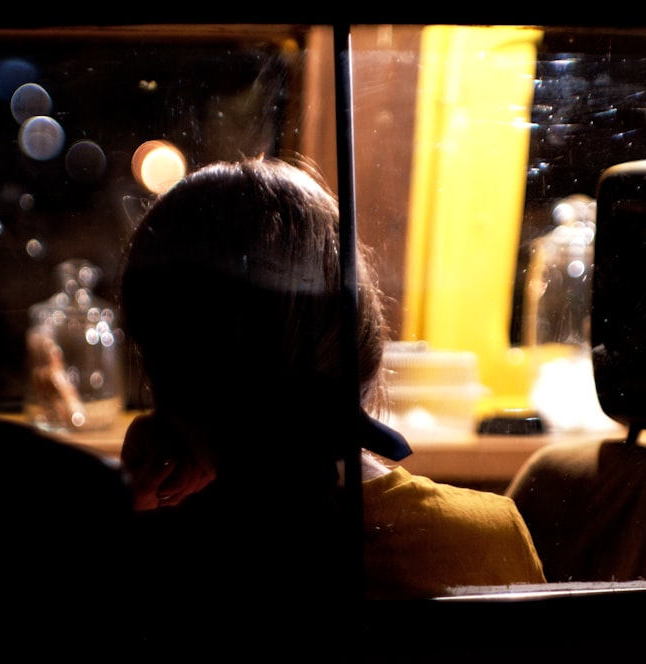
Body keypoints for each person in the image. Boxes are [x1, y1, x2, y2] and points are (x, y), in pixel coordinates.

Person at [116, 156, 545, 629]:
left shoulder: (144, 558)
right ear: (360, 338)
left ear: (166, 374)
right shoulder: (486, 537)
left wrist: (129, 502)